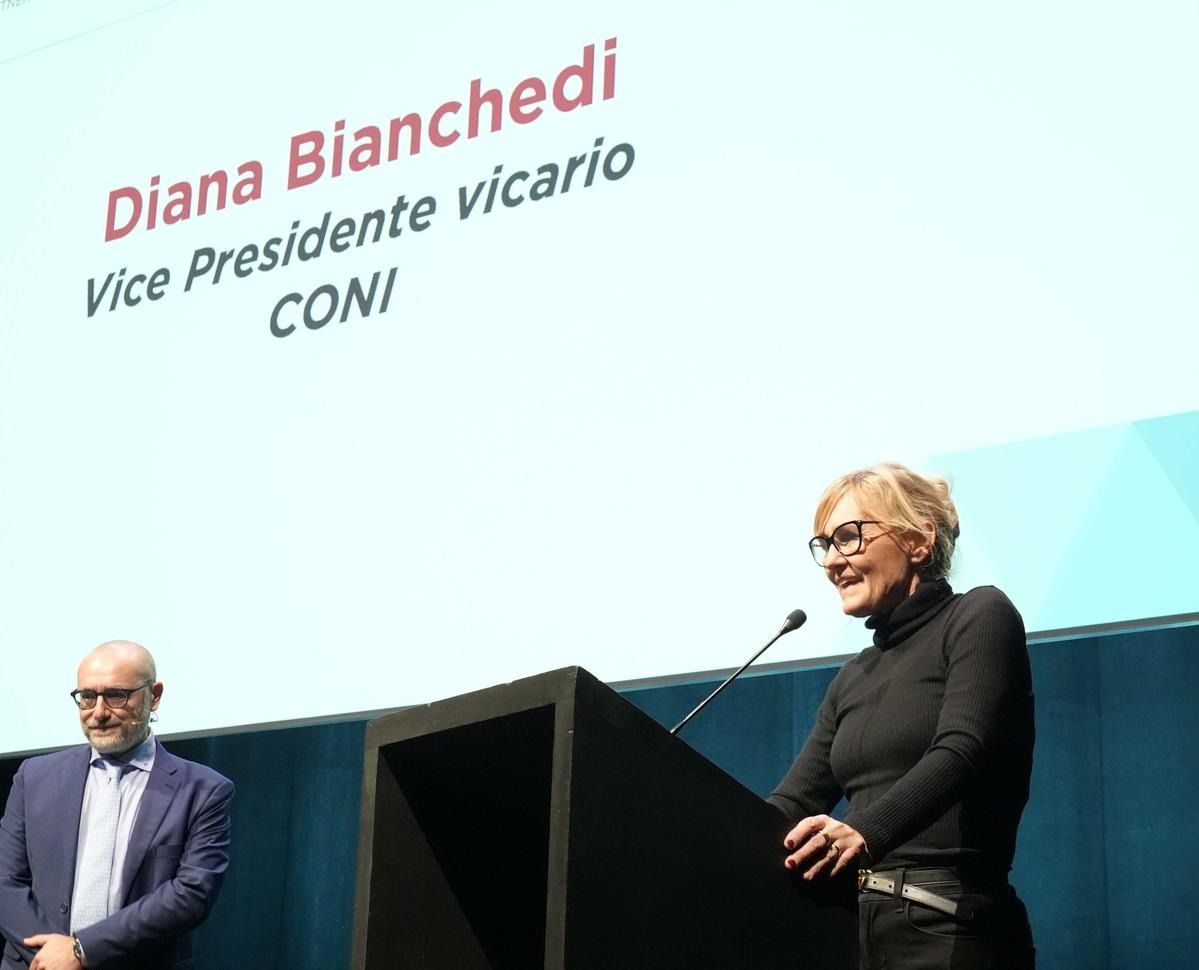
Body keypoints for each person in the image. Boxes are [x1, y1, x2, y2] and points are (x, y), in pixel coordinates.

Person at [769, 464, 1035, 969]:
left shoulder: (978, 615)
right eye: (824, 545)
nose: (832, 561)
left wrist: (865, 831)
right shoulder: (854, 674)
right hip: (852, 931)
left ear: (918, 541)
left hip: (947, 923)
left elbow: (963, 747)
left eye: (849, 537)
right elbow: (795, 801)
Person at [0, 640, 234, 970]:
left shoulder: (203, 790)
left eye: (116, 695)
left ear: (154, 696)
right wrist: (51, 957)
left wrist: (81, 951)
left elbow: (192, 894)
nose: (98, 712)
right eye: (87, 697)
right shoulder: (34, 776)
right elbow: (5, 881)